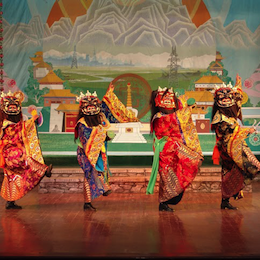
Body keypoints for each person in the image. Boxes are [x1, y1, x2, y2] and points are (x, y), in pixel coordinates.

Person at [74, 83, 139, 211]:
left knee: (99, 172)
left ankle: (101, 189)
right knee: (89, 175)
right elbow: (88, 138)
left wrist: (109, 94)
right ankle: (89, 200)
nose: (92, 109)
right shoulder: (81, 123)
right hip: (87, 153)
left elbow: (107, 129)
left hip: (99, 151)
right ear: (83, 108)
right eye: (89, 106)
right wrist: (101, 132)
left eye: (94, 106)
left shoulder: (100, 118)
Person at [146, 86, 204, 212]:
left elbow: (177, 121)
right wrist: (187, 109)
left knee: (184, 168)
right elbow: (173, 120)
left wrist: (185, 106)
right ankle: (163, 202)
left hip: (174, 148)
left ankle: (168, 201)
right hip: (165, 150)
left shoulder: (169, 115)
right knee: (167, 176)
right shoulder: (159, 116)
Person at [211, 74, 260, 210]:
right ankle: (226, 198)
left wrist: (238, 86)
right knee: (254, 165)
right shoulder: (219, 117)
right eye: (223, 97)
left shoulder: (229, 115)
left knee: (228, 173)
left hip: (233, 145)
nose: (226, 99)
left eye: (229, 97)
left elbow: (238, 101)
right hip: (229, 147)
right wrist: (246, 131)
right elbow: (229, 133)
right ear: (217, 100)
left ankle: (225, 201)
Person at [0, 91, 52, 209]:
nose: (13, 109)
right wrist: (32, 119)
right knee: (26, 160)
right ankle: (42, 171)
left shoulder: (16, 122)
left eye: (15, 107)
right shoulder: (6, 123)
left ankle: (10, 201)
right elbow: (18, 128)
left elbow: (27, 126)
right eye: (10, 107)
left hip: (14, 152)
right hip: (10, 154)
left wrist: (34, 116)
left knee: (12, 178)